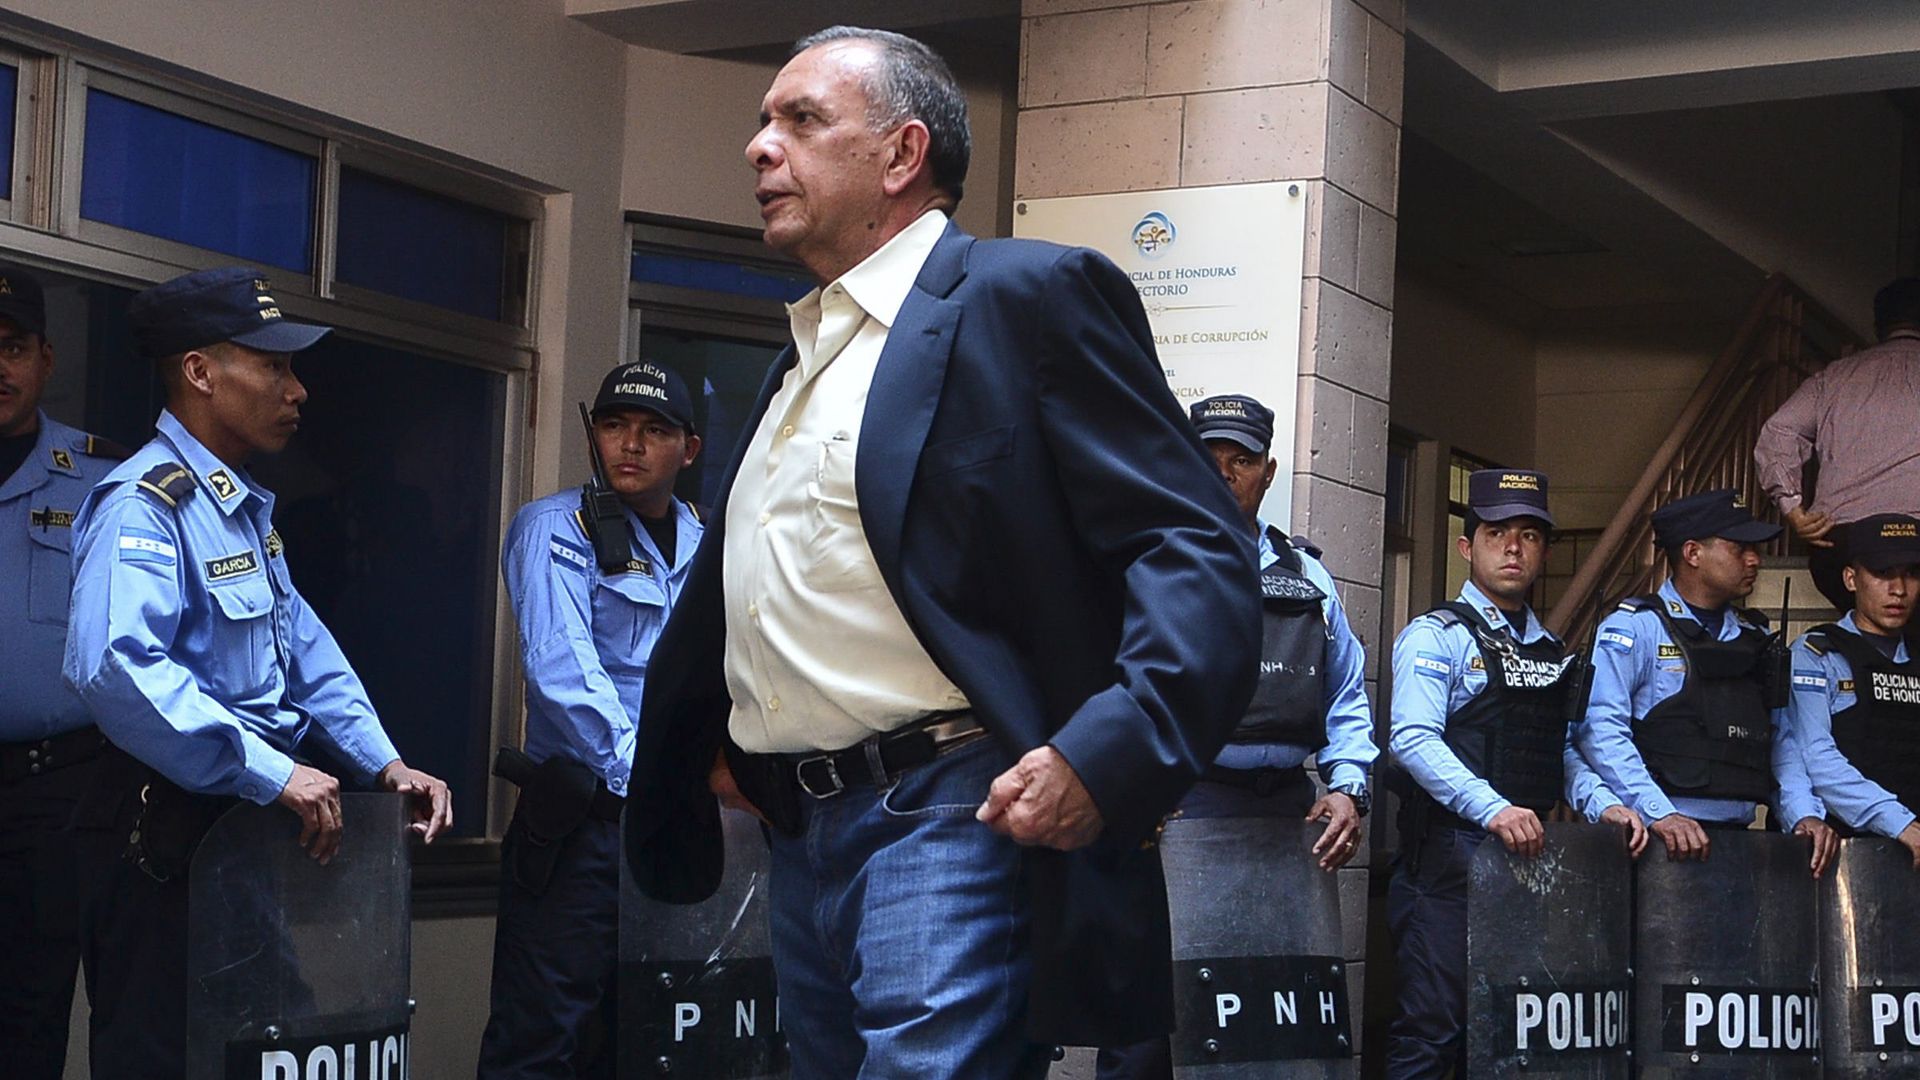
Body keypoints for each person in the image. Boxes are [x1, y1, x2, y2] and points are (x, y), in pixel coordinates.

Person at [623, 25, 1259, 1080]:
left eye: (801, 119)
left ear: (902, 154)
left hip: (950, 807)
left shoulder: (1026, 299)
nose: (758, 146)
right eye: (762, 120)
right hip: (798, 831)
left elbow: (1192, 544)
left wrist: (1111, 748)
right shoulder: (804, 361)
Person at [63, 266, 453, 1077]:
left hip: (240, 832)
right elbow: (116, 665)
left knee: (263, 1045)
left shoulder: (237, 510)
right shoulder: (146, 503)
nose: (297, 389)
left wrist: (384, 764)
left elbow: (305, 657)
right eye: (272, 366)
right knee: (165, 1056)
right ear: (201, 373)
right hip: (164, 838)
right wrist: (273, 771)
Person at [1095, 393, 1377, 1080]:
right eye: (1208, 459)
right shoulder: (1147, 568)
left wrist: (1347, 788)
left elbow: (1345, 697)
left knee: (1270, 1027)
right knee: (1150, 1027)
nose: (1225, 473)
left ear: (1270, 471)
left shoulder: (1307, 577)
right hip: (1177, 816)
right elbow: (1106, 696)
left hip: (1285, 821)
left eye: (1242, 460)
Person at [477, 360, 703, 1078]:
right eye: (613, 426)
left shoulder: (709, 542)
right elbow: (562, 673)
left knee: (658, 1038)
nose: (629, 445)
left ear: (688, 449)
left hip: (679, 833)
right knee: (544, 1040)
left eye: (653, 430)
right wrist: (661, 781)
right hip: (588, 829)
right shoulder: (556, 528)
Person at [1384, 468, 1644, 1079]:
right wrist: (1492, 808)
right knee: (1433, 1032)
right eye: (1497, 531)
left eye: (1529, 535)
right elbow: (1411, 739)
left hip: (1529, 863)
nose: (1513, 547)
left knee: (1511, 1031)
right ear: (1466, 546)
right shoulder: (1436, 635)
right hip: (1451, 858)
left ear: (1544, 551)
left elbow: (1565, 750)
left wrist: (1603, 803)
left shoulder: (1550, 650)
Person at [0, 265, 126, 1080]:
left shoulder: (101, 478)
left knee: (29, 1017)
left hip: (55, 800)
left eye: (11, 347)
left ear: (46, 358)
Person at [1574, 488, 1835, 873]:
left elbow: (1781, 739)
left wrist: (1803, 814)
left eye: (1755, 549)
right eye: (1738, 548)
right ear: (1692, 553)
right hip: (1658, 842)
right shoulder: (1637, 629)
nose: (1754, 559)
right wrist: (1658, 812)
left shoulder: (1756, 638)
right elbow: (1601, 730)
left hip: (1742, 842)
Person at [1755, 277, 1920, 621]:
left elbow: (1779, 431)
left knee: (1868, 641)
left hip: (1843, 543)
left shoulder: (1833, 376)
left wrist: (1793, 508)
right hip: (1916, 542)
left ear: (1878, 326)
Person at [1786, 513, 1920, 868]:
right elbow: (1815, 757)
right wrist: (1897, 821)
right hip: (1845, 854)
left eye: (1911, 573)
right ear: (1850, 578)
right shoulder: (1818, 653)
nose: (1899, 589)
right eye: (1882, 573)